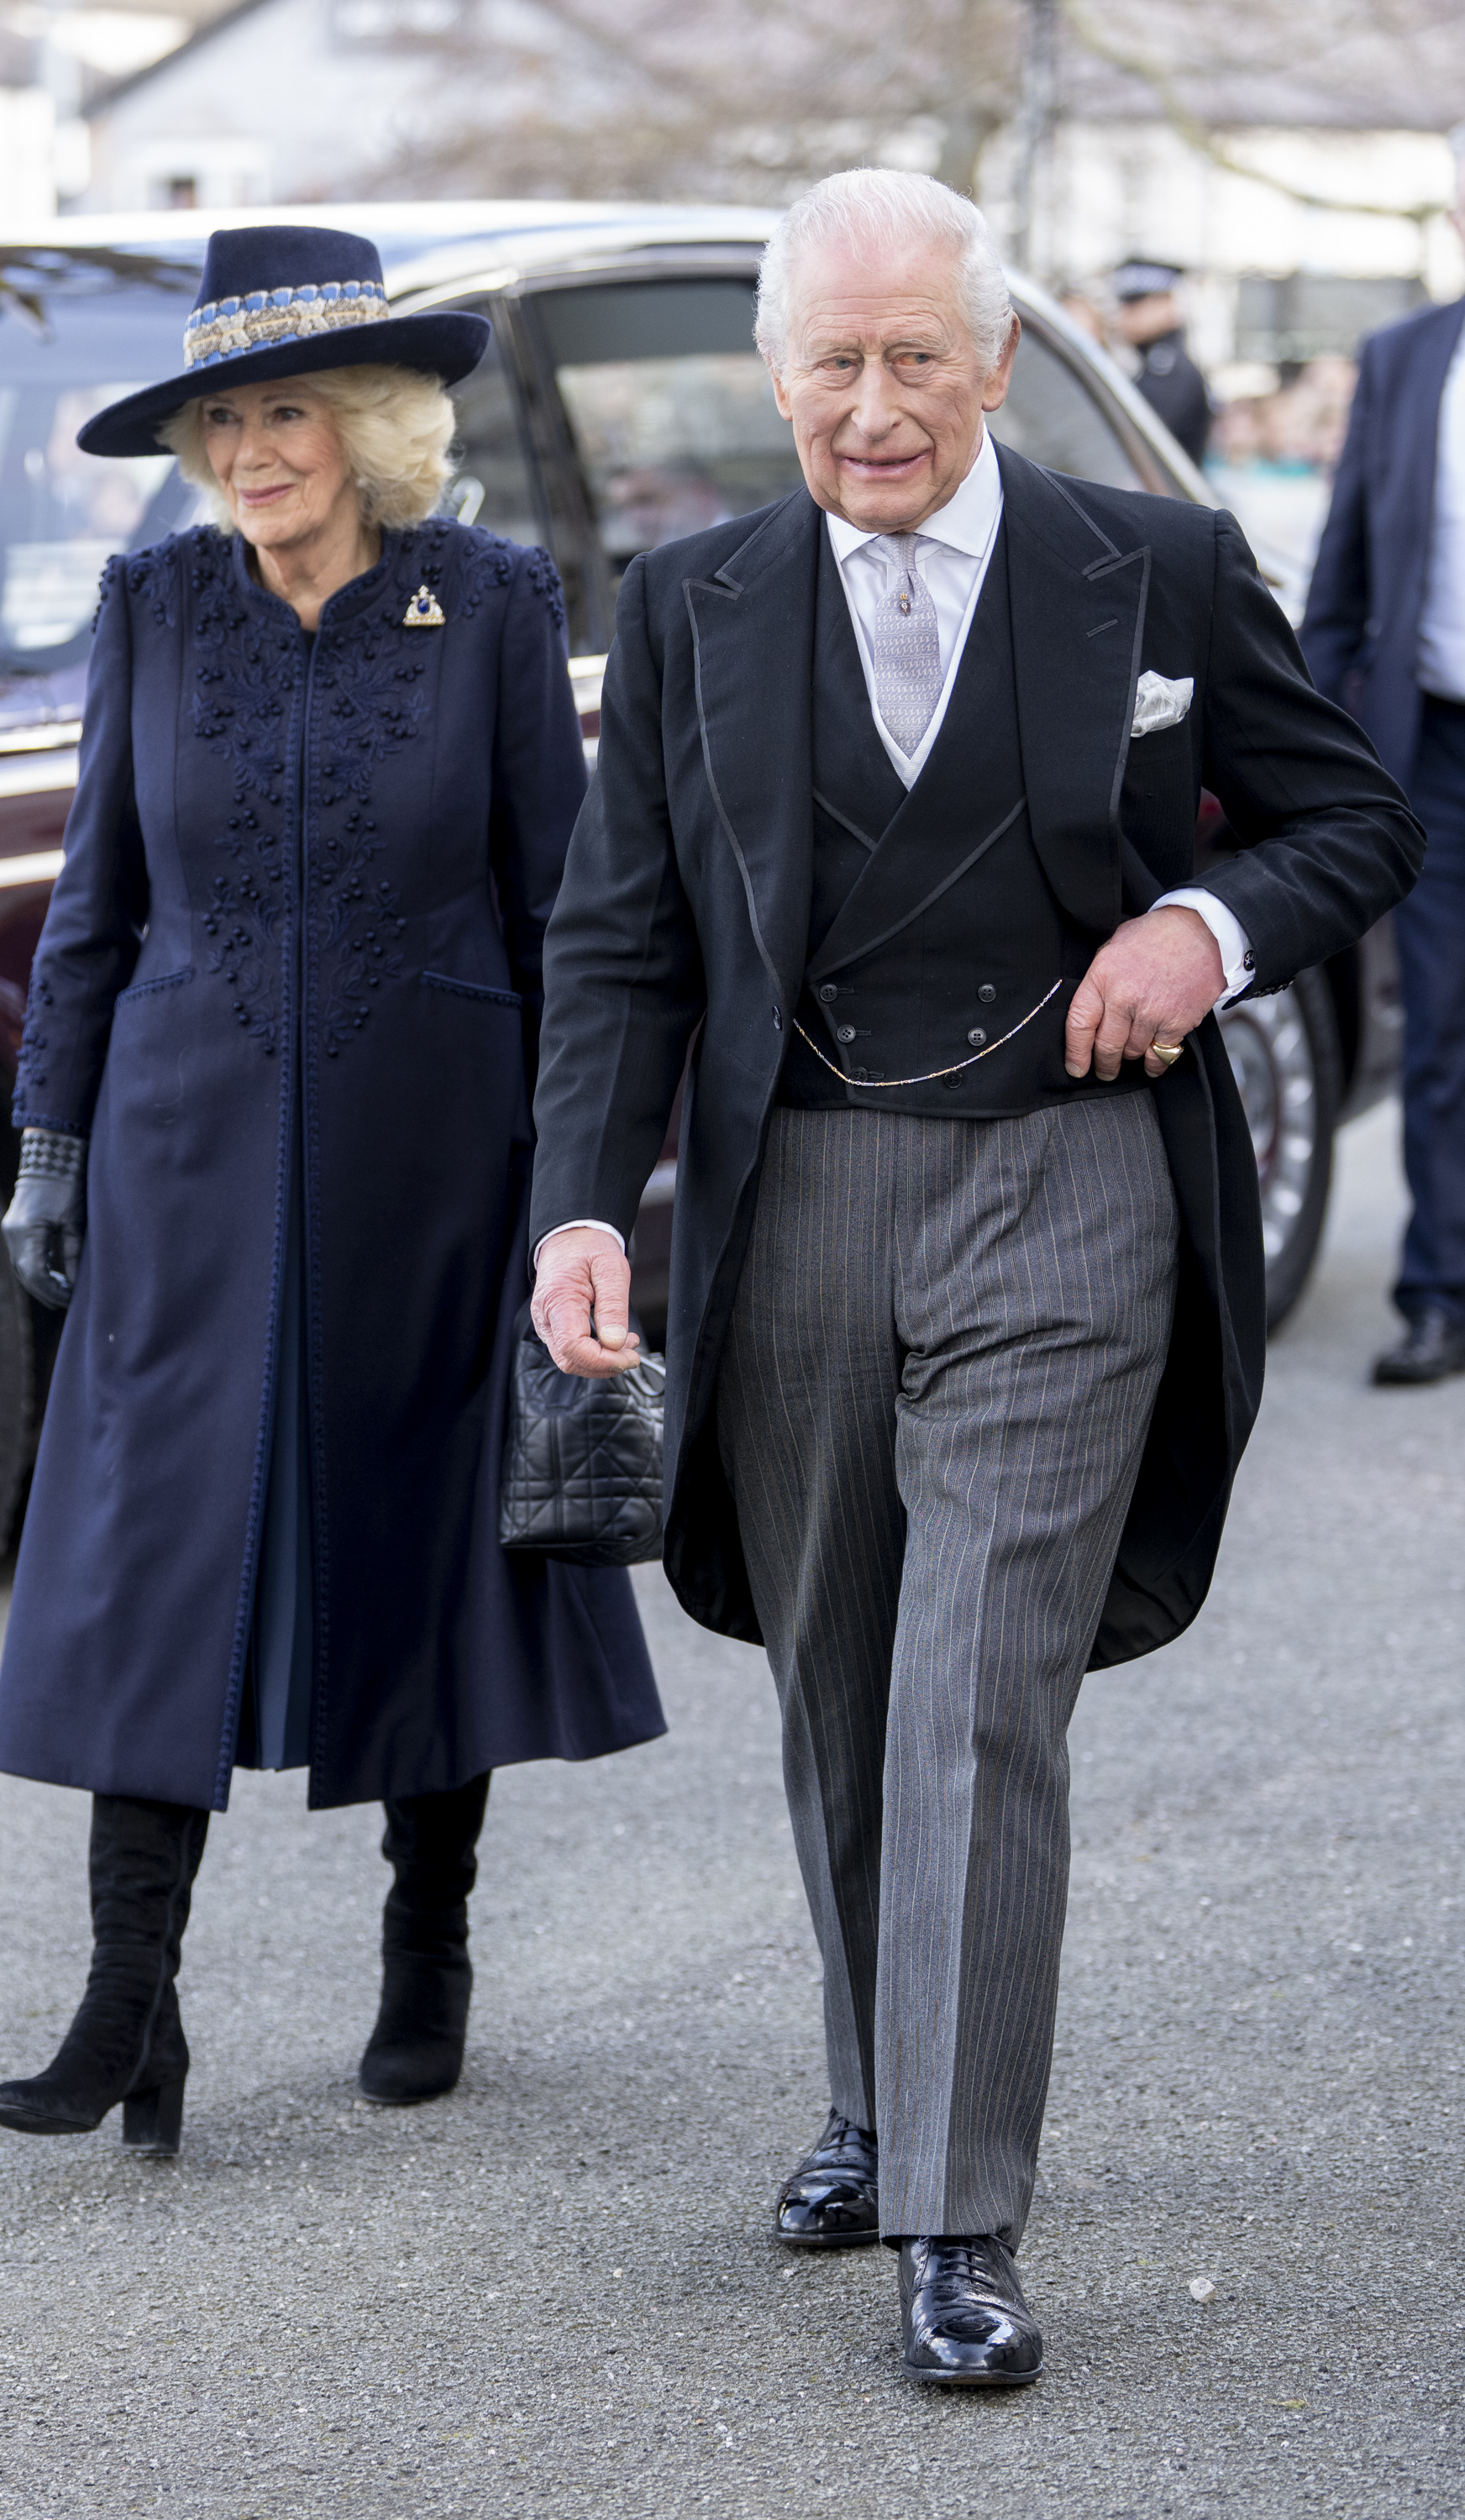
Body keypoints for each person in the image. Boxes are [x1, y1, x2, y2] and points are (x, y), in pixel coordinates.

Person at [528, 171, 1419, 2386]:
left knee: (972, 1691)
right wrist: (570, 1210)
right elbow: (617, 932)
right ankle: (868, 2087)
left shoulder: (1160, 568)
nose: (868, 406)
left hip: (1066, 1188)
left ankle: (953, 2213)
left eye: (912, 355)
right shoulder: (687, 602)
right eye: (825, 364)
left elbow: (1349, 825)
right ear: (769, 377)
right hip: (796, 1190)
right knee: (836, 1676)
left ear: (997, 359)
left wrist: (1194, 932)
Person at [0, 225, 663, 2155]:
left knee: (426, 1537)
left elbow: (570, 911)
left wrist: (584, 1181)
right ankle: (133, 2000)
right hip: (181, 1152)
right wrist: (50, 1136)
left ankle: (426, 1940)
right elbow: (92, 904)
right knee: (151, 1554)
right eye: (223, 415)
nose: (251, 447)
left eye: (287, 406)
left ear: (368, 422)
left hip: (438, 1156)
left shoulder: (494, 600)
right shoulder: (154, 605)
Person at [1302, 144, 1465, 1383]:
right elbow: (1346, 569)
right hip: (1437, 743)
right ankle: (1440, 1290)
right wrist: (1297, 751)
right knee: (1440, 1027)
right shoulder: (1406, 357)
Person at [1111, 259, 1212, 466]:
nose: (1123, 314)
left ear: (1167, 304)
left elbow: (1136, 440)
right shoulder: (1152, 362)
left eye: (1136, 304)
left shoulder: (1170, 368)